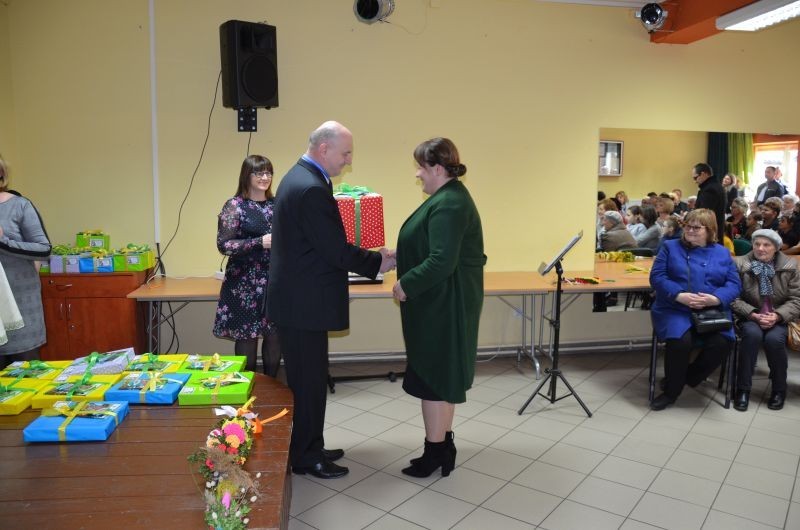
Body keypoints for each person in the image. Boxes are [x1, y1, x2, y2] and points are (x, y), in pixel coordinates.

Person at [266, 121, 395, 479]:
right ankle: (306, 457)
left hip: (300, 303)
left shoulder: (302, 177)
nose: (349, 160)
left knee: (310, 380)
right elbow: (334, 249)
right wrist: (377, 262)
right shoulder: (310, 187)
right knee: (308, 384)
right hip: (303, 305)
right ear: (324, 149)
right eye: (346, 153)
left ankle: (310, 444)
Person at [393, 137, 485, 478]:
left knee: (433, 380)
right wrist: (401, 255)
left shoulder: (449, 204)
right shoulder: (449, 198)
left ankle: (435, 453)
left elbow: (442, 261)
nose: (417, 174)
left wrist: (405, 284)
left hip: (444, 307)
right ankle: (442, 447)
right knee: (438, 379)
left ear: (437, 168)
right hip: (441, 303)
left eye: (421, 167)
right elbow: (436, 247)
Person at [649, 209, 741, 411]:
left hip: (710, 310)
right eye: (687, 226)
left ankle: (685, 378)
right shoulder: (670, 247)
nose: (690, 230)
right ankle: (671, 393)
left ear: (710, 230)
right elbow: (657, 277)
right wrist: (679, 295)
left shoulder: (722, 252)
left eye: (696, 227)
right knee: (680, 342)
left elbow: (734, 284)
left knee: (723, 342)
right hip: (674, 308)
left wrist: (715, 299)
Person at [212, 155, 280, 376]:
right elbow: (224, 245)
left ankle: (271, 387)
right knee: (247, 337)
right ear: (246, 175)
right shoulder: (235, 206)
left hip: (274, 281)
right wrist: (259, 242)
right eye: (259, 173)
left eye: (268, 173)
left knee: (274, 335)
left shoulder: (277, 204)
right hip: (243, 284)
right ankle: (247, 387)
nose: (265, 177)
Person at [731, 229, 800, 412]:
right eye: (757, 244)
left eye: (766, 245)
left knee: (774, 340)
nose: (760, 248)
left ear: (776, 248)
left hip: (779, 317)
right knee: (752, 335)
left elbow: (796, 299)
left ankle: (779, 389)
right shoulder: (739, 263)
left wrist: (777, 316)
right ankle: (743, 389)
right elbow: (733, 298)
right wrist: (752, 314)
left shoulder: (790, 265)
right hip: (749, 316)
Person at [0, 155, 52, 368]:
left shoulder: (20, 205)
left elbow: (44, 249)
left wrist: (3, 241)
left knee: (25, 377)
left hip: (20, 308)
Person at [693, 163, 726, 244]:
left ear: (703, 174)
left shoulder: (710, 189)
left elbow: (703, 215)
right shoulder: (716, 186)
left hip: (708, 235)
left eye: (695, 178)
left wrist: (688, 218)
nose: (695, 181)